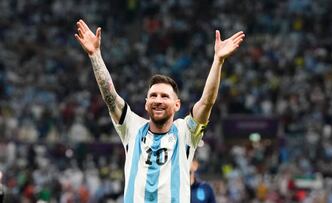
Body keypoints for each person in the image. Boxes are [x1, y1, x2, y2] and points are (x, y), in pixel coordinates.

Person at [74, 19, 245, 203]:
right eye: (153, 95)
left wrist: (218, 61)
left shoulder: (185, 132)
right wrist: (95, 55)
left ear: (177, 105)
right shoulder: (132, 128)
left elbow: (206, 103)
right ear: (146, 103)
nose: (158, 100)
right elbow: (111, 97)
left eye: (164, 96)